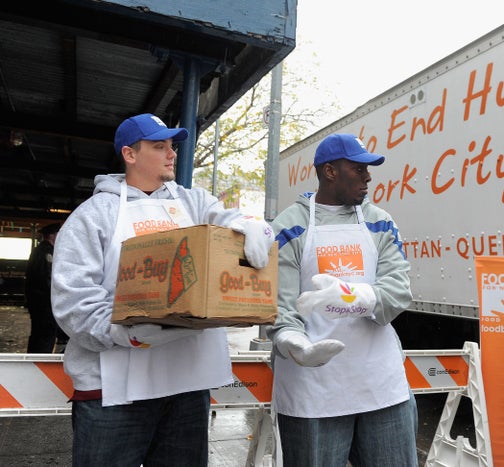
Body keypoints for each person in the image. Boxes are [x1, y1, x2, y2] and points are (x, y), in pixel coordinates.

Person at [50, 113, 275, 466]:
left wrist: (250, 227)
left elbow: (226, 220)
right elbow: (72, 300)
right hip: (112, 392)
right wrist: (127, 333)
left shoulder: (194, 203)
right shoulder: (93, 215)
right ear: (130, 154)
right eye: (159, 146)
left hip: (187, 386)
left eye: (172, 146)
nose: (172, 153)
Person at [267, 133, 418, 466]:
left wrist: (353, 296)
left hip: (381, 386)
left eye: (368, 169)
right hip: (313, 390)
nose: (368, 177)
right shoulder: (289, 226)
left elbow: (398, 289)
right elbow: (280, 305)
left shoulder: (381, 222)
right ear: (330, 171)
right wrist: (294, 342)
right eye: (359, 168)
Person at [25, 222, 65, 353]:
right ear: (53, 236)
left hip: (38, 300)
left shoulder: (39, 250)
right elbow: (47, 279)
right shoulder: (47, 252)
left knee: (39, 333)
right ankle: (40, 362)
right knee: (45, 334)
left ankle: (34, 359)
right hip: (44, 301)